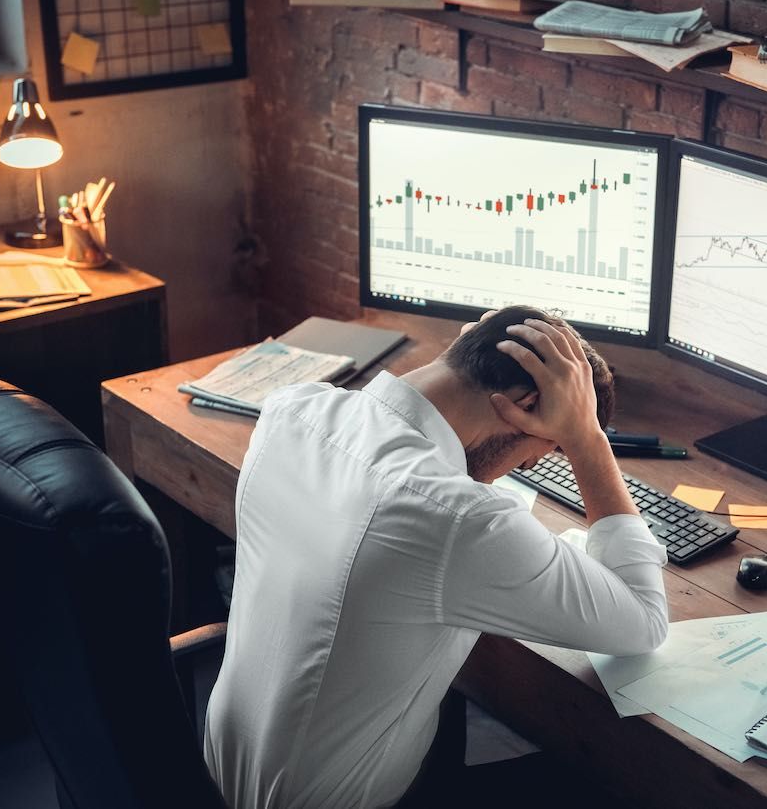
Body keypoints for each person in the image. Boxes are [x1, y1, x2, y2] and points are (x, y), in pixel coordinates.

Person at [204, 305, 668, 809]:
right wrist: (588, 442)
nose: (532, 462)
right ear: (526, 403)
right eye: (549, 444)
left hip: (211, 774)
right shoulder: (460, 521)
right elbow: (642, 623)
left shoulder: (291, 410)